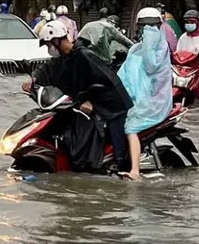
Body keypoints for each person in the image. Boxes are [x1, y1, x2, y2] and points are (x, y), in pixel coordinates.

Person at [24, 20, 133, 171]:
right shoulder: (64, 58)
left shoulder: (85, 55)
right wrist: (33, 79)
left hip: (112, 105)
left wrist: (90, 100)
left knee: (118, 145)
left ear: (56, 40)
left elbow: (105, 80)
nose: (49, 49)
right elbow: (47, 69)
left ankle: (122, 166)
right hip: (88, 104)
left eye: (49, 44)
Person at [117, 8, 173, 180]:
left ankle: (135, 171)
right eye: (145, 27)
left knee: (130, 127)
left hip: (152, 101)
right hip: (133, 98)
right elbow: (123, 75)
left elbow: (151, 67)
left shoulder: (161, 48)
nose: (148, 31)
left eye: (152, 27)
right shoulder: (135, 49)